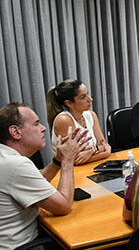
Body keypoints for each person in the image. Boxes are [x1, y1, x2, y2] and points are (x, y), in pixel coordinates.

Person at [0, 103, 89, 250]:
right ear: (15, 132)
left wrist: (57, 161)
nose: (43, 128)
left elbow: (34, 181)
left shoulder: (6, 158)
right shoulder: (15, 165)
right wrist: (68, 161)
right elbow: (64, 206)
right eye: (36, 124)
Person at [47, 79, 111, 165]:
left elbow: (104, 145)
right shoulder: (64, 120)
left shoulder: (91, 115)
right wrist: (104, 153)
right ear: (69, 103)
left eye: (87, 94)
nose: (90, 99)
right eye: (83, 97)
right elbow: (74, 160)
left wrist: (92, 150)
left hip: (91, 167)